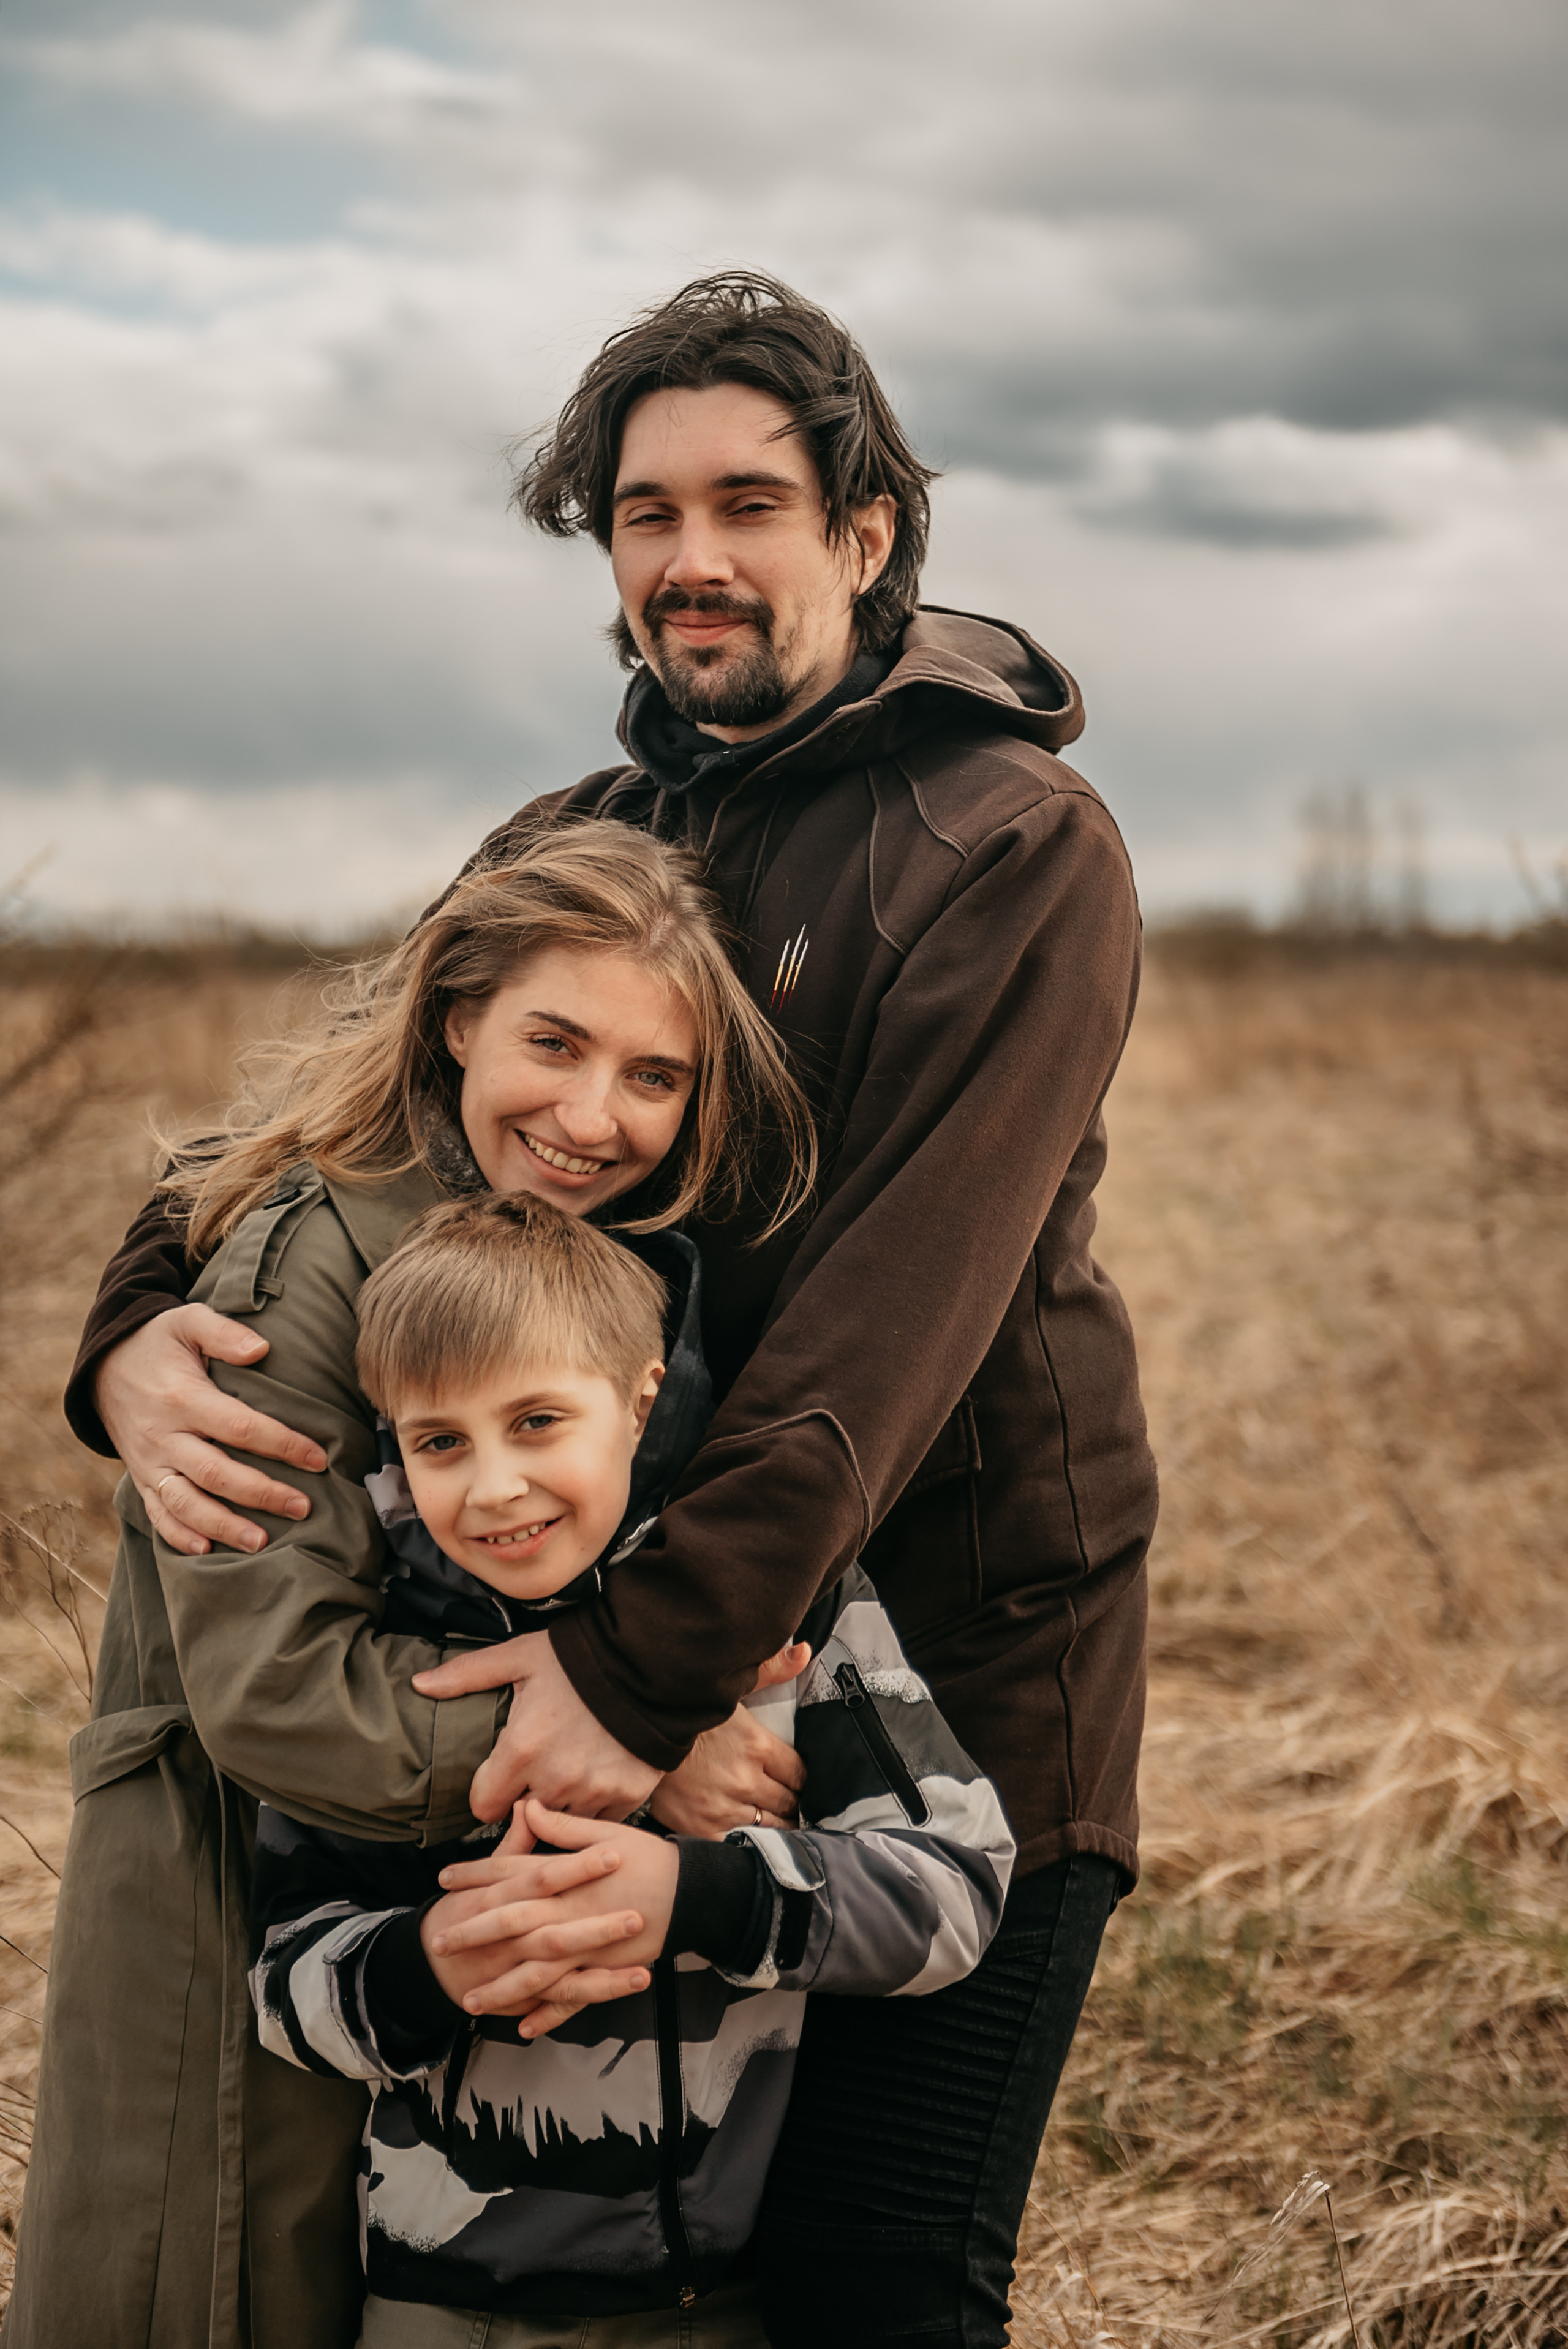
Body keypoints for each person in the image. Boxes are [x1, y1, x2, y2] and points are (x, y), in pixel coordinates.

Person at [57, 270, 1159, 2349]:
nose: (692, 556)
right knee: (625, 2277)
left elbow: (881, 1331)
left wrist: (633, 1686)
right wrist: (129, 1330)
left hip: (936, 1676)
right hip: (603, 1645)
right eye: (647, 513)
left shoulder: (1011, 843)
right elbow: (358, 1096)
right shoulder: (580, 836)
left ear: (867, 532)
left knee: (869, 2283)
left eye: (751, 503)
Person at [5, 824, 818, 2349]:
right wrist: (629, 1743)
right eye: (553, 1044)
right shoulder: (311, 1254)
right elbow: (277, 1690)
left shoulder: (604, 1249)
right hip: (239, 1890)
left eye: (651, 1074)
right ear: (455, 1020)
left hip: (436, 1950)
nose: (591, 1116)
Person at [252, 1191, 1014, 2345]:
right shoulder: (384, 1652)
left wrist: (694, 1895)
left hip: (718, 2302)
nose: (493, 1486)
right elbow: (283, 1981)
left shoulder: (785, 1613)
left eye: (538, 1421)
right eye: (440, 1441)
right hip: (438, 2305)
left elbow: (958, 1887)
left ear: (641, 1399)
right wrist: (429, 1968)